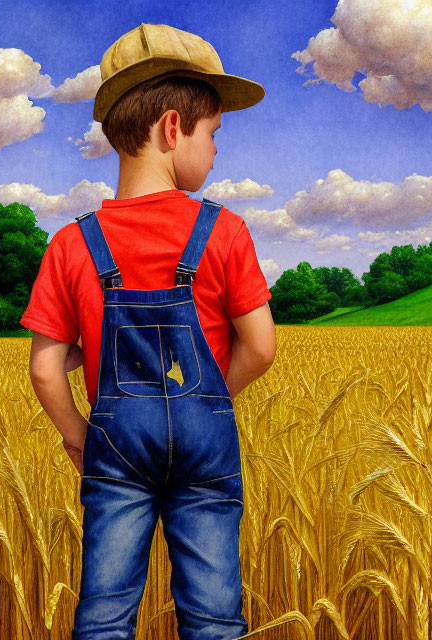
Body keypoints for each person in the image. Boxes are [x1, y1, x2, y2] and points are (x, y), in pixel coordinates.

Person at [21, 22, 276, 640]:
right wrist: (209, 403)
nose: (216, 150)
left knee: (106, 613)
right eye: (212, 134)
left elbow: (45, 367)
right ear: (171, 128)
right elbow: (262, 347)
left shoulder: (71, 244)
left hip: (116, 446)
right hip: (206, 443)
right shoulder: (226, 231)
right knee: (214, 615)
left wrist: (82, 438)